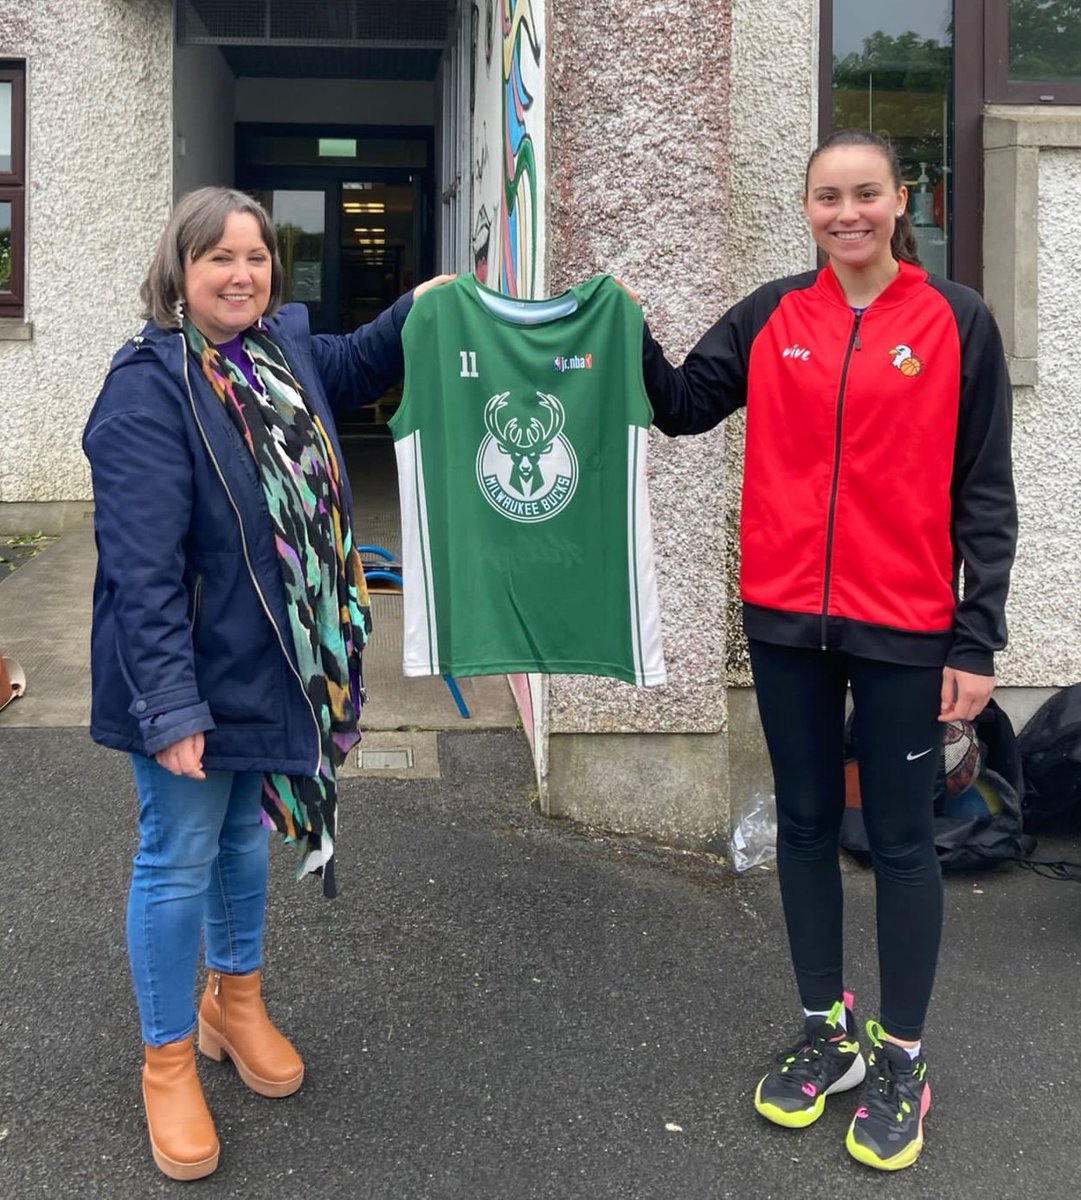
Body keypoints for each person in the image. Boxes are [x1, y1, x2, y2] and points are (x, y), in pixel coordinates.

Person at [640, 129, 1016, 1171]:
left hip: (904, 626)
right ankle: (825, 1034)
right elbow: (676, 406)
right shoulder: (772, 317)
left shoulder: (955, 321)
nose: (845, 213)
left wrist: (975, 637)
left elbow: (984, 492)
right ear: (804, 209)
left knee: (899, 840)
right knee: (804, 823)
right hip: (785, 619)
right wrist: (616, 330)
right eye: (825, 198)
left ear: (901, 200)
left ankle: (901, 1055)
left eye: (864, 195)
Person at [83, 186, 451, 1181]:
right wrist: (167, 705)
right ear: (180, 271)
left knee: (245, 839)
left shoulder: (281, 354)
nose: (241, 274)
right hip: (190, 676)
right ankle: (167, 1061)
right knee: (177, 856)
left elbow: (366, 358)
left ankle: (232, 1003)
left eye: (256, 256)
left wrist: (431, 304)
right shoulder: (146, 389)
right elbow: (142, 569)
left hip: (276, 665)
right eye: (219, 259)